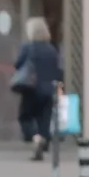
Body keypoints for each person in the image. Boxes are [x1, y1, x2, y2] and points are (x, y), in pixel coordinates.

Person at [13, 17, 63, 160]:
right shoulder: (52, 49)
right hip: (49, 90)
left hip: (31, 88)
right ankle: (42, 145)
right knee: (44, 120)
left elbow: (18, 64)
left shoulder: (27, 47)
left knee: (25, 116)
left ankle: (36, 139)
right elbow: (57, 70)